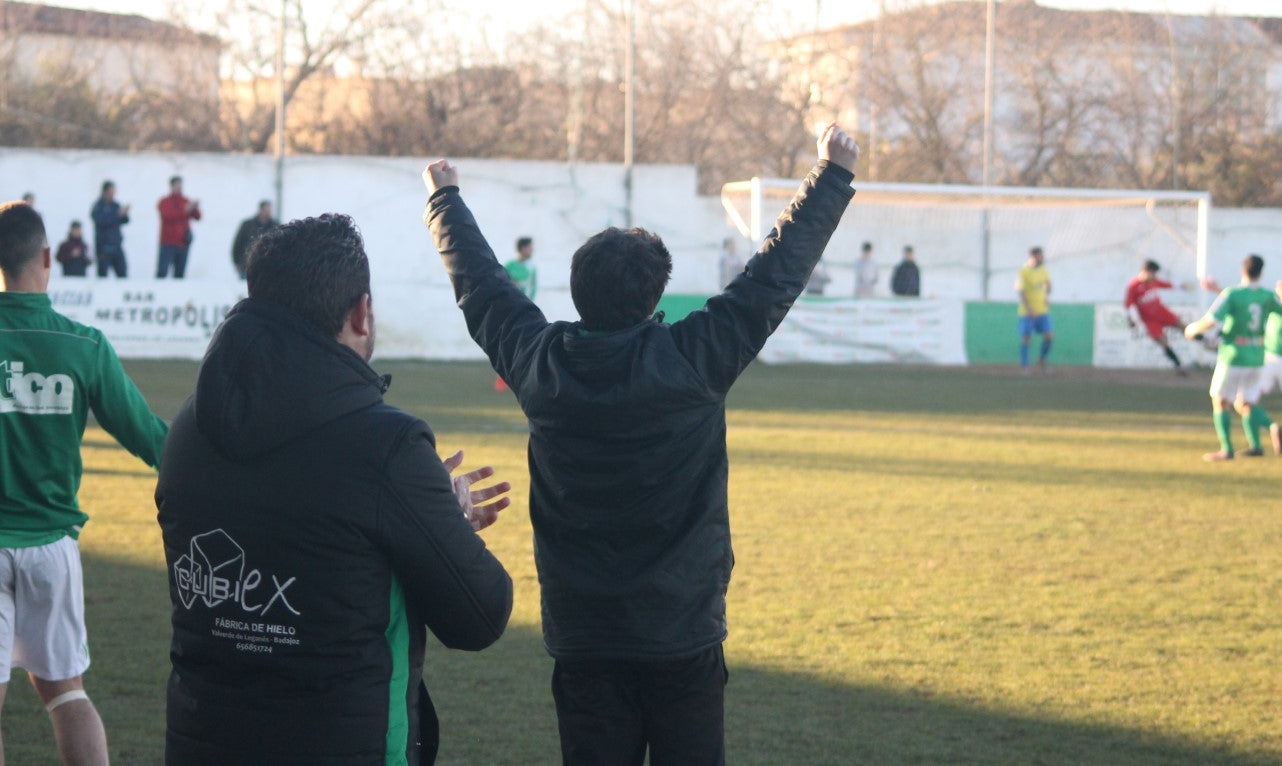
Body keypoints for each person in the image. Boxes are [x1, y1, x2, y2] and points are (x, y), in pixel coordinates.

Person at [421, 122, 860, 764]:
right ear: (655, 295)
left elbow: (481, 288)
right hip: (681, 632)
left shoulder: (542, 365)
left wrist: (445, 199)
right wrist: (831, 177)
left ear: (577, 290)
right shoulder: (695, 359)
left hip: (583, 637)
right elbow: (772, 278)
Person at [155, 213, 513, 764]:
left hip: (202, 740)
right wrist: (439, 508)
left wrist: (423, 507)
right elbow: (481, 614)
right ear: (361, 313)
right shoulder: (386, 448)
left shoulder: (188, 428)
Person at [0, 200, 168, 765]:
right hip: (51, 548)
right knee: (67, 695)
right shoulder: (83, 345)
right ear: (48, 257)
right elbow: (150, 437)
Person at [1183, 254, 1282, 461]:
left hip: (1233, 356)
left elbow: (1211, 319)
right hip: (1257, 357)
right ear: (1261, 272)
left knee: (1220, 401)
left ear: (1242, 270)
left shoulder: (1232, 294)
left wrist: (1192, 329)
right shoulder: (1266, 296)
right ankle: (1262, 437)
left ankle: (1226, 449)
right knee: (1246, 402)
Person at [1124, 259, 1192, 374]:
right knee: (1163, 341)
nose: (1154, 276)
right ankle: (1179, 366)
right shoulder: (1133, 285)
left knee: (1184, 327)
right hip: (1149, 320)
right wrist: (1130, 319)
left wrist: (1180, 286)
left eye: (1155, 273)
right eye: (1153, 273)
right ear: (1144, 271)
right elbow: (1128, 304)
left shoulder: (1153, 281)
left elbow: (1165, 285)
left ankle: (1206, 340)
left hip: (1162, 312)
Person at [494, 237, 537, 391]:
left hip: (526, 312)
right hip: (509, 311)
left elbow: (533, 289)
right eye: (530, 247)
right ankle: (502, 379)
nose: (532, 250)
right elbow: (501, 284)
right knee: (506, 345)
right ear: (523, 248)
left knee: (524, 346)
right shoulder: (509, 266)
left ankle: (520, 379)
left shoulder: (532, 267)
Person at [1017, 246, 1053, 374]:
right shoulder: (1023, 271)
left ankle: (1042, 359)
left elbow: (1047, 285)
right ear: (1032, 257)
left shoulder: (1043, 269)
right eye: (1040, 256)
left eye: (1042, 256)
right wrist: (1029, 309)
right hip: (1027, 312)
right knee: (1026, 338)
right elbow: (1021, 291)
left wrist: (1047, 292)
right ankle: (1025, 367)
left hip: (1043, 310)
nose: (1042, 258)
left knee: (1049, 336)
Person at [156, 175, 201, 279]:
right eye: (177, 185)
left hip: (183, 243)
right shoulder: (164, 201)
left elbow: (198, 217)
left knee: (180, 274)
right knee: (162, 272)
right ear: (171, 186)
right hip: (167, 243)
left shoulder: (186, 200)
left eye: (181, 185)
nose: (180, 187)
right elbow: (168, 216)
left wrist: (195, 208)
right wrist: (185, 210)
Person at [89, 180, 129, 279]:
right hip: (103, 246)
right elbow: (100, 221)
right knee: (102, 275)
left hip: (116, 245)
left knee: (122, 273)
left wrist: (124, 213)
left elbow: (125, 221)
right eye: (112, 190)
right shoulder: (98, 206)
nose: (114, 193)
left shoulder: (116, 205)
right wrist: (117, 215)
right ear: (106, 191)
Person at [230, 200, 279, 280]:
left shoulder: (275, 225)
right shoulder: (247, 225)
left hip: (268, 266)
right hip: (248, 265)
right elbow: (238, 244)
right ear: (260, 210)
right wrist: (236, 262)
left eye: (269, 210)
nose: (268, 212)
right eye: (266, 210)